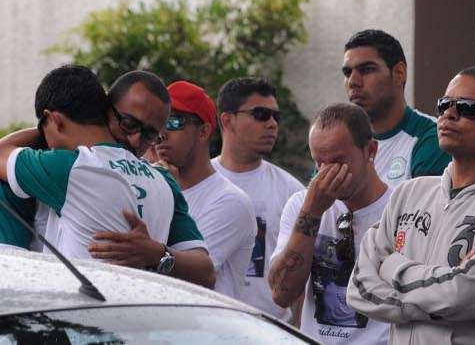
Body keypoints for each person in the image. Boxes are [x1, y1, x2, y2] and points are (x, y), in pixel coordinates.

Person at [346, 66, 475, 345]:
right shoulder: (409, 192)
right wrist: (439, 303)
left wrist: (392, 267)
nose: (448, 115)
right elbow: (358, 289)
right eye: (444, 105)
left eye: (467, 108)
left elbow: (462, 294)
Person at [0, 67, 215, 288]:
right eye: (128, 124)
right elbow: (206, 273)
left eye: (150, 135)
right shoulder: (163, 180)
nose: (134, 140)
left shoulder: (69, 167)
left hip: (76, 317)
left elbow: (206, 272)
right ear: (105, 111)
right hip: (140, 317)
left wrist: (156, 253)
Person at [269, 103, 391, 344]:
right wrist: (312, 212)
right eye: (319, 163)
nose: (326, 174)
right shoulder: (301, 205)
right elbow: (281, 293)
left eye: (337, 161)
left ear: (371, 151)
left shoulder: (399, 208)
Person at [152, 80, 256, 298]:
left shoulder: (230, 201)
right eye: (157, 123)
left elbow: (190, 276)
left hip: (208, 329)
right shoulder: (152, 185)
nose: (160, 133)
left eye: (173, 122)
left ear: (203, 132)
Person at [212, 77, 304, 319]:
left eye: (277, 117)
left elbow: (303, 279)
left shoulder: (292, 192)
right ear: (227, 120)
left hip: (269, 332)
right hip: (208, 326)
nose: (272, 124)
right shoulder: (198, 182)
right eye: (261, 114)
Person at [342, 29, 450, 187]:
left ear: (399, 73)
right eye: (347, 72)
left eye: (366, 69)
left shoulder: (434, 139)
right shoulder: (340, 141)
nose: (353, 81)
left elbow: (421, 210)